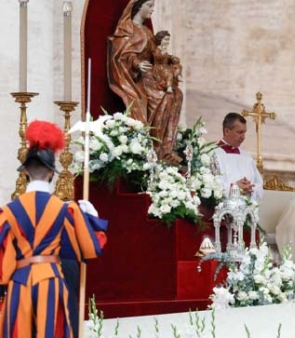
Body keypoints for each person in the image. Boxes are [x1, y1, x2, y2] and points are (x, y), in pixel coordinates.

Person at [0, 121, 108, 337]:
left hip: (19, 283)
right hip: (51, 282)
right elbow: (90, 248)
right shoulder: (66, 211)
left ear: (26, 173)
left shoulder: (7, 212)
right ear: (51, 174)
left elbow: (3, 257)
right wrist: (92, 218)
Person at [108, 0, 183, 161]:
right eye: (149, 6)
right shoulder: (128, 29)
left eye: (153, 6)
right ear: (138, 7)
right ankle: (153, 146)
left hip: (153, 75)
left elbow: (156, 54)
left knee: (177, 94)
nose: (152, 10)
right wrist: (136, 63)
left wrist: (172, 65)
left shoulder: (148, 32)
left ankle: (165, 149)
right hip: (137, 78)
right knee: (162, 97)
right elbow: (122, 55)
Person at [213, 113, 263, 202]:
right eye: (239, 132)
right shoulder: (212, 154)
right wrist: (235, 187)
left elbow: (259, 184)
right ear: (227, 131)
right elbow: (211, 186)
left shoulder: (247, 157)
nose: (243, 137)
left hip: (246, 210)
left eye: (244, 132)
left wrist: (250, 189)